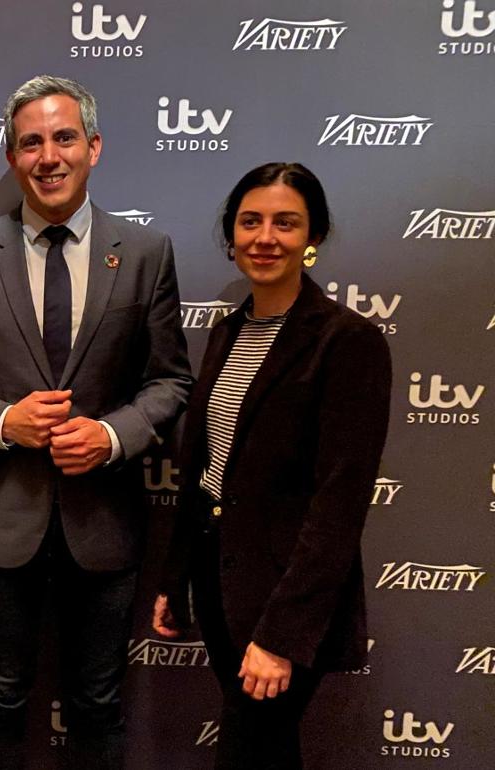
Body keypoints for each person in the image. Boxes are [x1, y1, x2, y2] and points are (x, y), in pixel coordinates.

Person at [0, 75, 192, 769]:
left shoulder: (146, 253)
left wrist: (112, 435)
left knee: (98, 702)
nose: (49, 155)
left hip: (105, 524)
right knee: (1, 698)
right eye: (30, 142)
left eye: (64, 137)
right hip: (0, 523)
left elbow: (172, 380)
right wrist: (5, 421)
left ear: (94, 147)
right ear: (11, 158)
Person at [153, 162, 392, 769]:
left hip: (285, 597)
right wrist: (176, 578)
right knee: (265, 751)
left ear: (313, 238)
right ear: (230, 235)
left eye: (286, 223)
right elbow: (206, 463)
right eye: (250, 221)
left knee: (249, 749)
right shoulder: (228, 330)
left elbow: (339, 503)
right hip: (219, 577)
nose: (266, 238)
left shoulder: (347, 341)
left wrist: (281, 636)